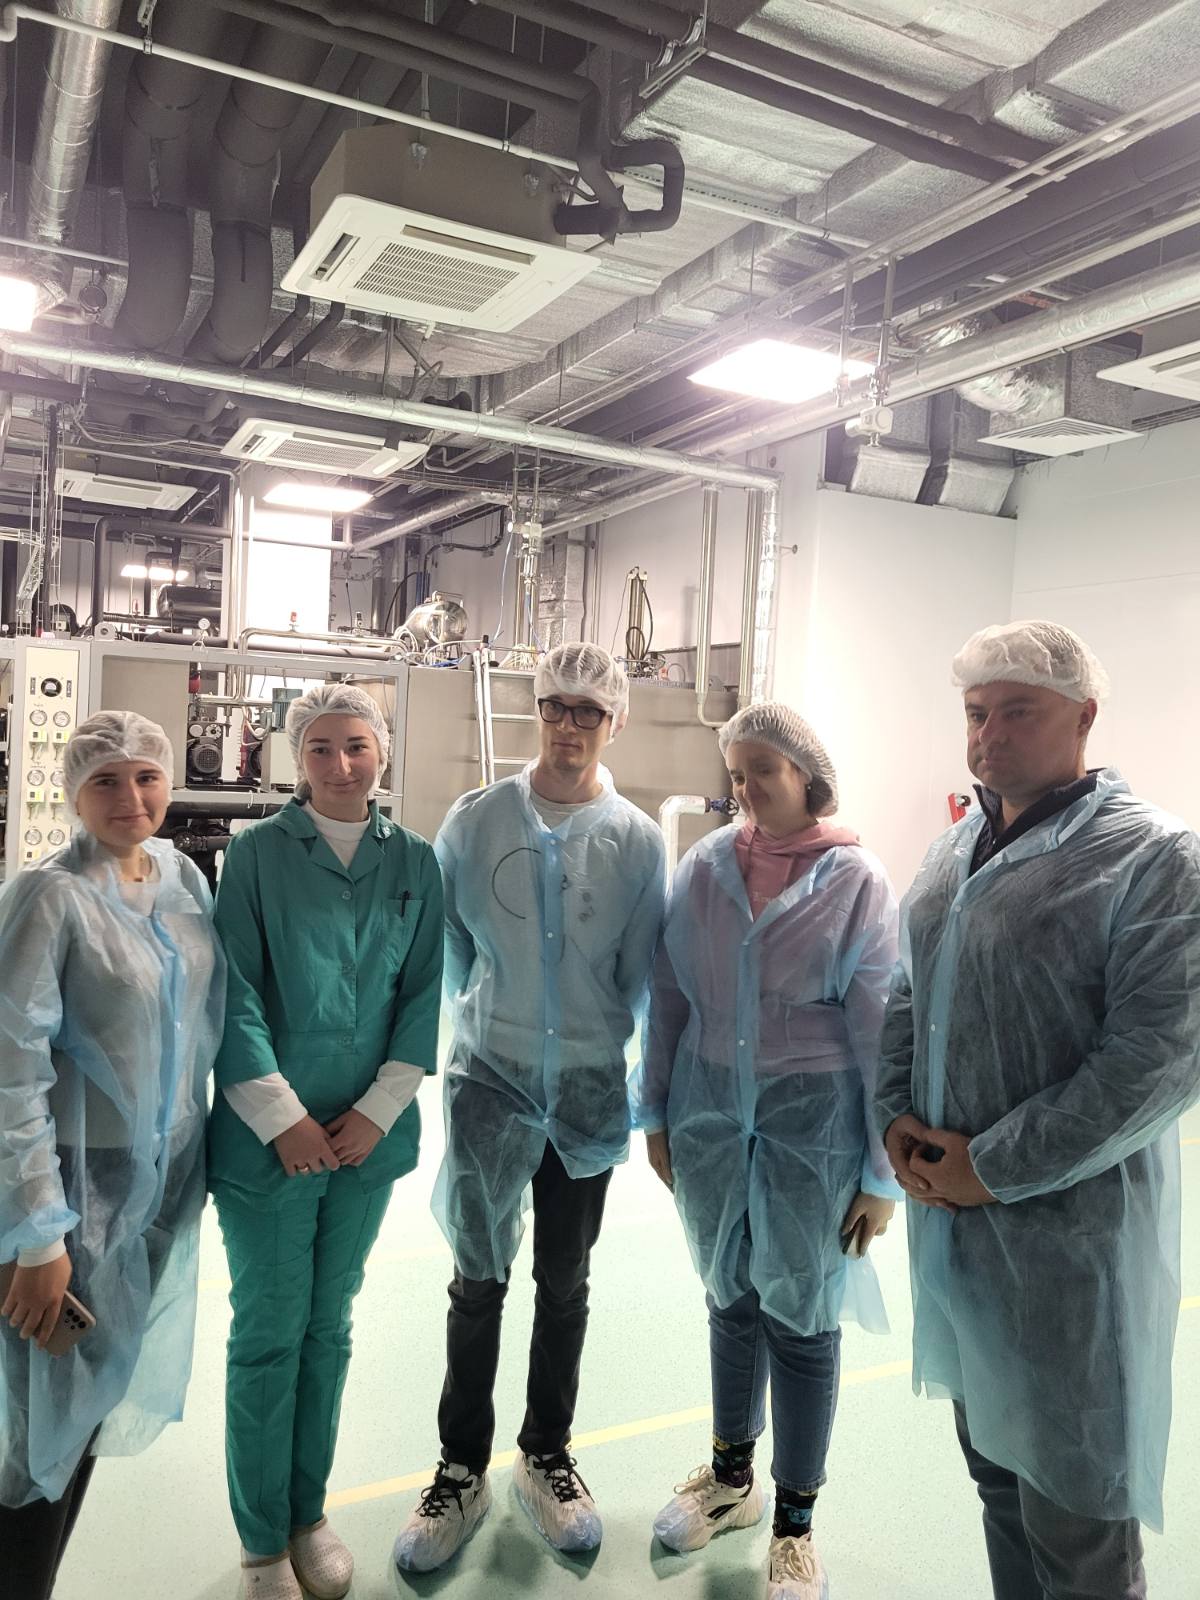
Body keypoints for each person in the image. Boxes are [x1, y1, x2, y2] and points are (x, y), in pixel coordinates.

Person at [876, 620, 1200, 1600]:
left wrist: (993, 1166)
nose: (989, 734)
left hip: (1071, 1257)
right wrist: (895, 1115)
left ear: (1084, 717)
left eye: (1018, 711)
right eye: (976, 712)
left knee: (1078, 1533)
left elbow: (1156, 1061)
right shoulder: (953, 849)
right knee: (998, 1486)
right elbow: (907, 994)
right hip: (960, 1242)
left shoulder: (1154, 857)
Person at [393, 642, 666, 1571]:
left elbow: (641, 976)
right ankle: (459, 1468)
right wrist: (491, 1025)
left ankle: (546, 1454)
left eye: (589, 710)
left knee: (565, 1280)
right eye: (555, 705)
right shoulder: (476, 820)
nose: (568, 726)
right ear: (535, 709)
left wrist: (605, 1058)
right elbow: (451, 946)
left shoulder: (635, 840)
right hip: (492, 1080)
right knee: (477, 1280)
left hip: (585, 1086)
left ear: (614, 721)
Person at [638, 702, 900, 1600]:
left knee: (803, 1315)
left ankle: (795, 1521)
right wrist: (655, 1112)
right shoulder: (706, 866)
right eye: (737, 773)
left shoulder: (856, 879)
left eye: (764, 771)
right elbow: (670, 996)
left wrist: (880, 1173)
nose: (746, 788)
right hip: (710, 1108)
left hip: (813, 1122)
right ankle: (730, 1479)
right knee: (730, 1296)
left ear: (808, 779)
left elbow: (880, 1030)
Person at [208, 683, 443, 1600]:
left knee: (328, 1326)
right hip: (269, 1139)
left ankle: (308, 1514)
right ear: (294, 756)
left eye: (357, 746)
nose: (341, 765)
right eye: (320, 748)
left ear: (382, 751)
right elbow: (234, 992)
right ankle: (261, 1542)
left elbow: (422, 992)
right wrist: (285, 1117)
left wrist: (378, 1110)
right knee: (270, 1331)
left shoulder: (414, 860)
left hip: (363, 1143)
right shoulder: (257, 855)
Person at [0, 711, 225, 1600]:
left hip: (159, 1181)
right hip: (74, 1184)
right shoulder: (49, 897)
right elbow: (12, 1070)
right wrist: (39, 1235)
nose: (131, 797)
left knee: (88, 1406)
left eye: (146, 777)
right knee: (40, 1428)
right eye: (106, 780)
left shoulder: (180, 878)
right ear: (73, 792)